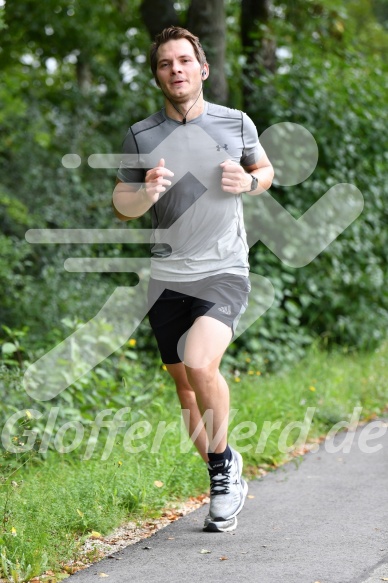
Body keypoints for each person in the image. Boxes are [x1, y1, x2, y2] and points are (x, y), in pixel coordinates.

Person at [113, 26, 274, 533]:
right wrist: (148, 192)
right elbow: (122, 205)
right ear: (158, 74)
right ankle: (224, 468)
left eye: (185, 60)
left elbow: (264, 170)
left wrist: (248, 181)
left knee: (201, 363)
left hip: (224, 268)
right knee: (185, 393)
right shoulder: (142, 135)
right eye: (166, 63)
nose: (176, 69)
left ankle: (223, 471)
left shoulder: (236, 122)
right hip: (168, 276)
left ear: (202, 69)